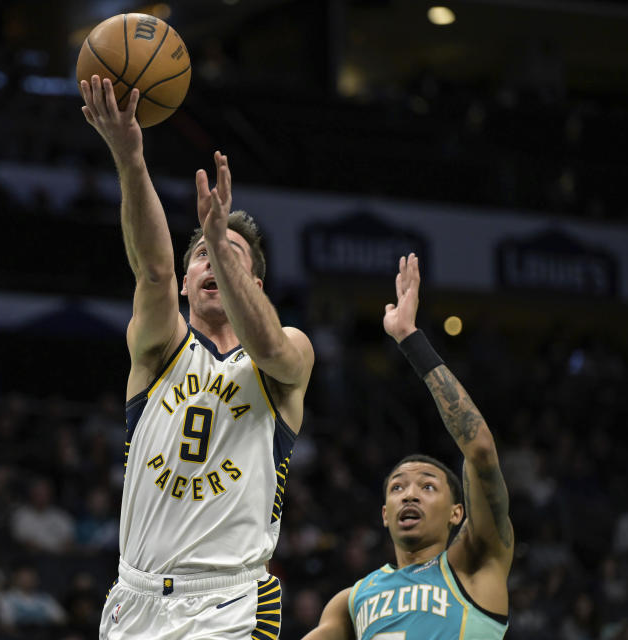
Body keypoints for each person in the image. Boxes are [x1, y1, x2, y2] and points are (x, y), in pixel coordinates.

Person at [79, 74, 314, 640]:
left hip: (230, 602)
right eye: (203, 256)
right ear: (188, 283)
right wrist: (130, 157)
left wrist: (218, 232)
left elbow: (269, 346)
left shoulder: (287, 353)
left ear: (255, 284)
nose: (214, 263)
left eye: (229, 258)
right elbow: (151, 269)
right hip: (134, 597)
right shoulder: (160, 349)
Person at [303, 254, 512, 639]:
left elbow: (480, 449)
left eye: (427, 486)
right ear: (384, 514)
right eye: (397, 487)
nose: (409, 494)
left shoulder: (475, 565)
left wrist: (409, 339)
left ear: (457, 513)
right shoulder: (351, 601)